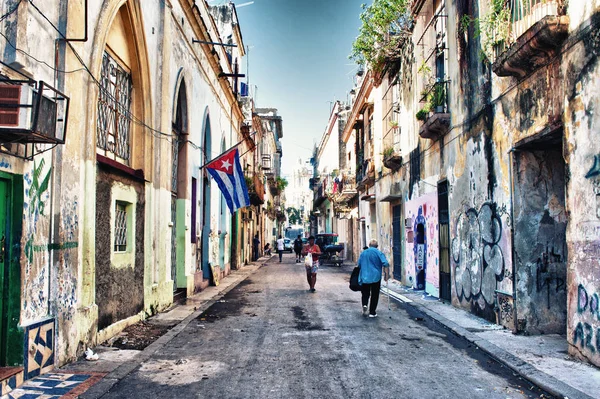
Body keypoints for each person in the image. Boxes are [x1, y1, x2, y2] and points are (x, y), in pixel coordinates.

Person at [358, 239, 390, 318]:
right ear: (377, 246)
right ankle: (372, 312)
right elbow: (385, 263)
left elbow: (358, 264)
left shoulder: (363, 253)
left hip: (365, 276)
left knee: (365, 293)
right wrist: (386, 275)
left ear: (369, 245)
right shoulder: (378, 252)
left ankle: (365, 304)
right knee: (375, 294)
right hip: (375, 276)